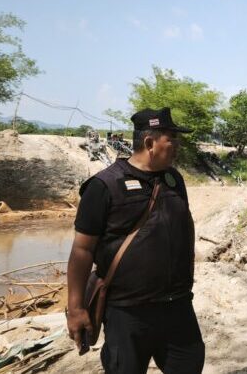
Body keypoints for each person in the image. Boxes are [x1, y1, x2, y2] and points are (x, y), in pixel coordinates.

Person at [66, 107, 204, 374]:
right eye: (171, 139)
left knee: (190, 364)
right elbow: (82, 250)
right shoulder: (104, 186)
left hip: (178, 308)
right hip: (127, 314)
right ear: (150, 143)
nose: (177, 145)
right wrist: (75, 308)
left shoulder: (174, 179)